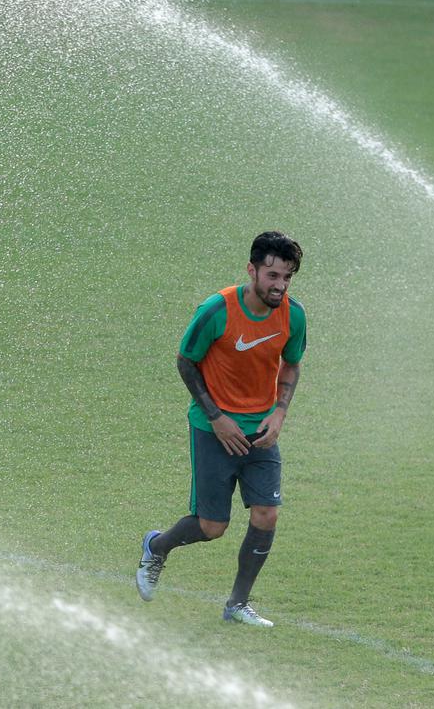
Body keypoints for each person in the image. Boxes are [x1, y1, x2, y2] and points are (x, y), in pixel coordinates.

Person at [136, 231, 306, 627]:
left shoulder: (293, 315)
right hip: (214, 429)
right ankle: (156, 546)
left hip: (261, 430)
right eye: (272, 275)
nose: (279, 285)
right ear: (252, 270)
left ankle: (237, 605)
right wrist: (216, 416)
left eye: (287, 277)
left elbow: (292, 363)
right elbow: (185, 361)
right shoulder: (217, 311)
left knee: (267, 514)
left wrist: (279, 412)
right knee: (212, 527)